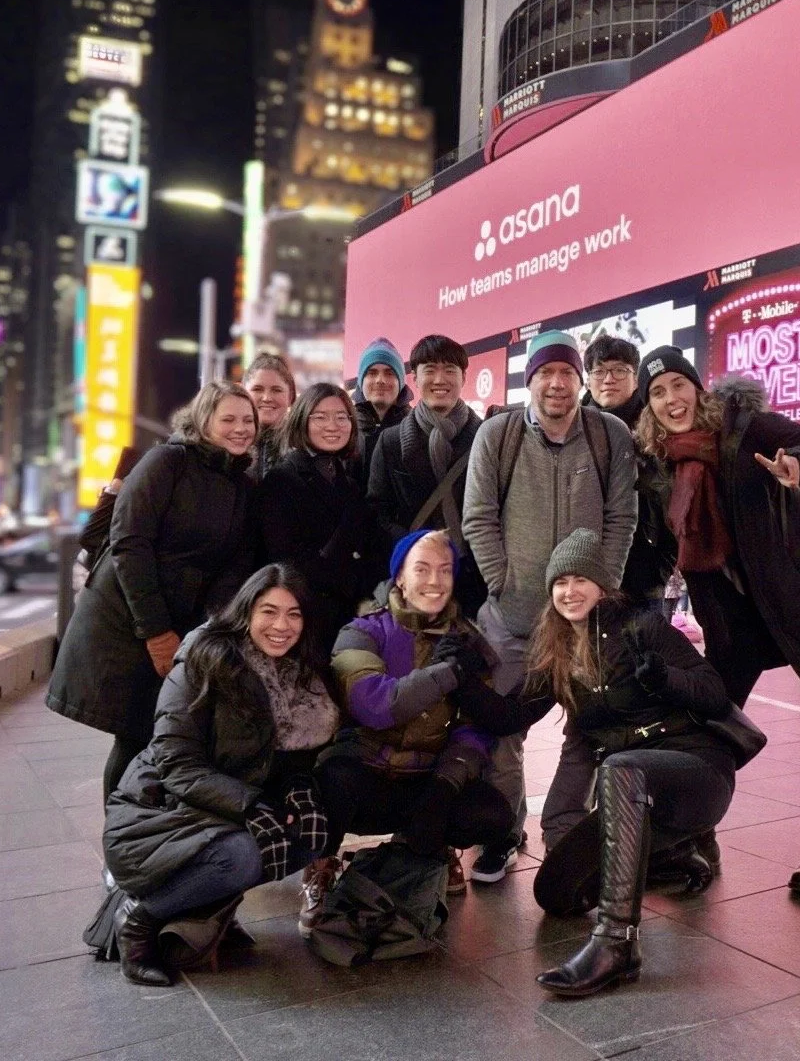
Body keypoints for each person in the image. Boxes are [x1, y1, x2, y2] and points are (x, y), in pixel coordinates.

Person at [634, 348, 800, 893]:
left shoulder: (746, 428)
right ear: (649, 407)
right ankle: (697, 833)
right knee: (712, 724)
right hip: (734, 617)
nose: (671, 400)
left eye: (678, 386)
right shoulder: (662, 463)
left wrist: (799, 466)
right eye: (657, 393)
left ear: (698, 389)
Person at [493, 529, 736, 997]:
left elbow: (713, 693)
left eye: (581, 578)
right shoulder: (560, 653)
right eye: (560, 581)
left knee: (621, 766)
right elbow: (510, 715)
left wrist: (666, 679)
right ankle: (668, 858)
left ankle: (617, 944)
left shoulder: (641, 627)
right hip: (635, 797)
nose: (569, 590)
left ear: (603, 585)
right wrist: (458, 679)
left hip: (697, 773)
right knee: (556, 893)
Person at [102, 565, 340, 985]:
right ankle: (137, 920)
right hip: (159, 809)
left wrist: (298, 792)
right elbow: (176, 764)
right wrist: (251, 805)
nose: (282, 626)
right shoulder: (203, 660)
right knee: (243, 855)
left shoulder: (299, 675)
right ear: (245, 612)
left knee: (310, 832)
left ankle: (212, 911)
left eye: (294, 614)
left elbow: (284, 763)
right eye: (269, 611)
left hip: (219, 805)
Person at [461, 330, 638, 883]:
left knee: (587, 729)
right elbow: (478, 517)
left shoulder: (609, 435)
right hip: (511, 618)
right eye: (545, 373)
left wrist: (599, 588)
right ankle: (504, 832)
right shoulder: (498, 434)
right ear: (530, 380)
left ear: (580, 382)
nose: (557, 384)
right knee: (502, 731)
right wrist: (503, 580)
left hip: (587, 617)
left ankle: (563, 832)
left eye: (567, 373)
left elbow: (621, 518)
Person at [47, 383, 259, 805]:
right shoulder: (168, 460)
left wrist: (209, 627)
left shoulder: (240, 481)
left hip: (184, 624)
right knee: (135, 734)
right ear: (203, 422)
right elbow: (128, 542)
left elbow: (232, 562)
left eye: (248, 420)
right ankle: (120, 847)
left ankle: (146, 836)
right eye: (228, 419)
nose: (240, 428)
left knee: (165, 734)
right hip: (130, 618)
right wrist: (156, 631)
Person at [308, 530, 516, 927]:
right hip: (367, 774)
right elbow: (375, 705)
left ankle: (426, 848)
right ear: (400, 577)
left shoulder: (468, 640)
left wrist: (446, 784)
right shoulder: (363, 629)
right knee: (331, 780)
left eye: (445, 570)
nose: (435, 581)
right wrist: (447, 672)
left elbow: (475, 729)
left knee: (491, 814)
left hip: (424, 780)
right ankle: (321, 864)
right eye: (421, 569)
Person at [367, 334, 487, 616]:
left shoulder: (487, 437)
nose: (439, 379)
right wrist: (415, 548)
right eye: (430, 370)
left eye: (450, 370)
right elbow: (376, 511)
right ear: (415, 378)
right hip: (413, 574)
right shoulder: (390, 442)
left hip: (473, 577)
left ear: (463, 377)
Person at [258, 383, 378, 656]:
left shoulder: (348, 481)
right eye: (320, 417)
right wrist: (347, 580)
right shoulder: (281, 479)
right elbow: (285, 558)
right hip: (305, 617)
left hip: (348, 619)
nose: (332, 426)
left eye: (341, 417)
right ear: (302, 420)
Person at [583, 334, 679, 609]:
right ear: (588, 378)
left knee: (647, 651)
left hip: (643, 575)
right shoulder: (571, 426)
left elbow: (674, 497)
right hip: (582, 571)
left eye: (619, 370)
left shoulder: (657, 426)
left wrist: (662, 567)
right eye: (599, 371)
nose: (608, 379)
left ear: (635, 377)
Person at [352, 337, 413, 478]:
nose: (380, 380)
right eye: (372, 373)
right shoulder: (344, 428)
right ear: (361, 381)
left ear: (401, 382)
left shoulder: (415, 427)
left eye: (389, 373)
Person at [243, 353, 296, 479]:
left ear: (290, 396)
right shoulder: (224, 441)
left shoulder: (305, 442)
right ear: (243, 394)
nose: (267, 398)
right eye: (257, 389)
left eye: (276, 390)